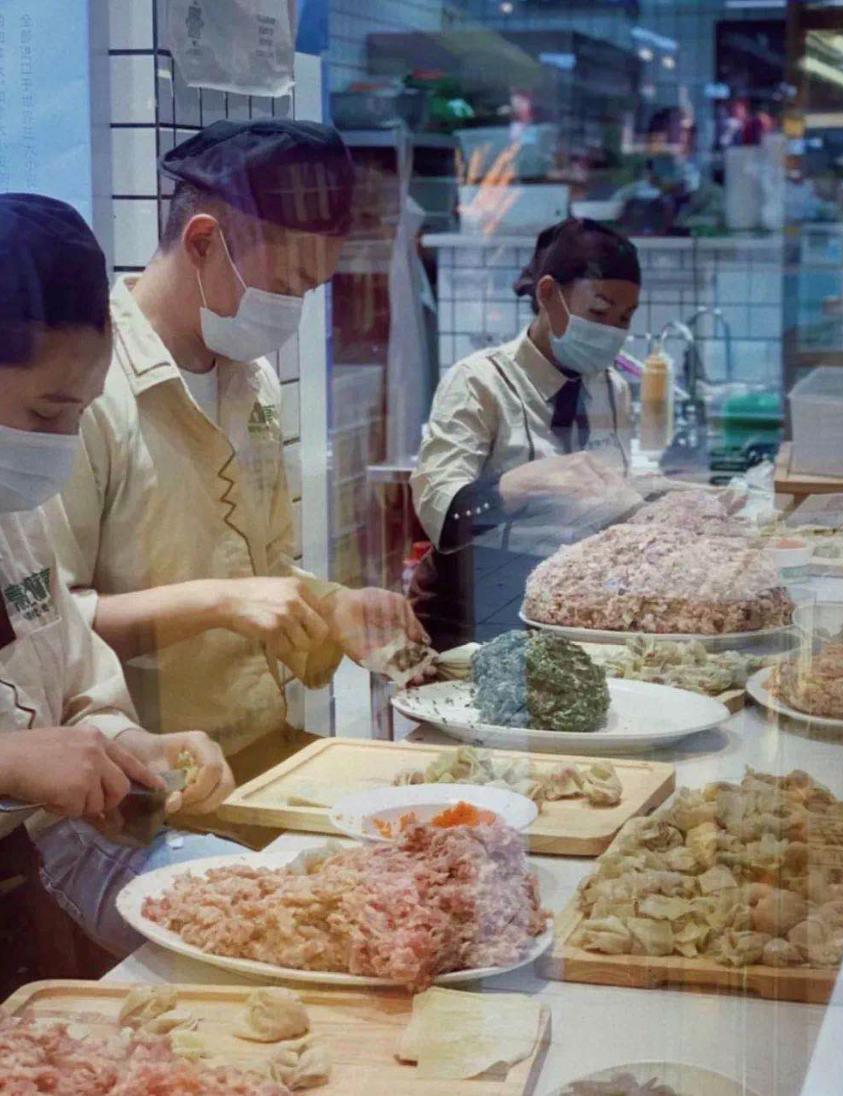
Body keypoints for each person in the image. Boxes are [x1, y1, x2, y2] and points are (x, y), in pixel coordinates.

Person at [43, 121, 427, 817]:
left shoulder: (252, 384)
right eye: (287, 283)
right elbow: (45, 625)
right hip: (143, 786)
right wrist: (214, 603)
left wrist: (332, 604)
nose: (295, 310)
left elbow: (262, 566)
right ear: (200, 242)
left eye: (312, 288)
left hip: (259, 753)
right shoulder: (78, 392)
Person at [0, 192, 237, 957]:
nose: (60, 445)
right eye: (44, 416)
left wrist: (133, 745)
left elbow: (70, 687)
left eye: (82, 413)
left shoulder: (17, 509)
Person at [410, 217, 642, 649]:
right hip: (472, 620)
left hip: (568, 616)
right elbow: (438, 516)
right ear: (549, 295)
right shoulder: (480, 382)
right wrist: (515, 488)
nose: (612, 330)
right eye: (599, 311)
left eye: (624, 318)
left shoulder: (612, 389)